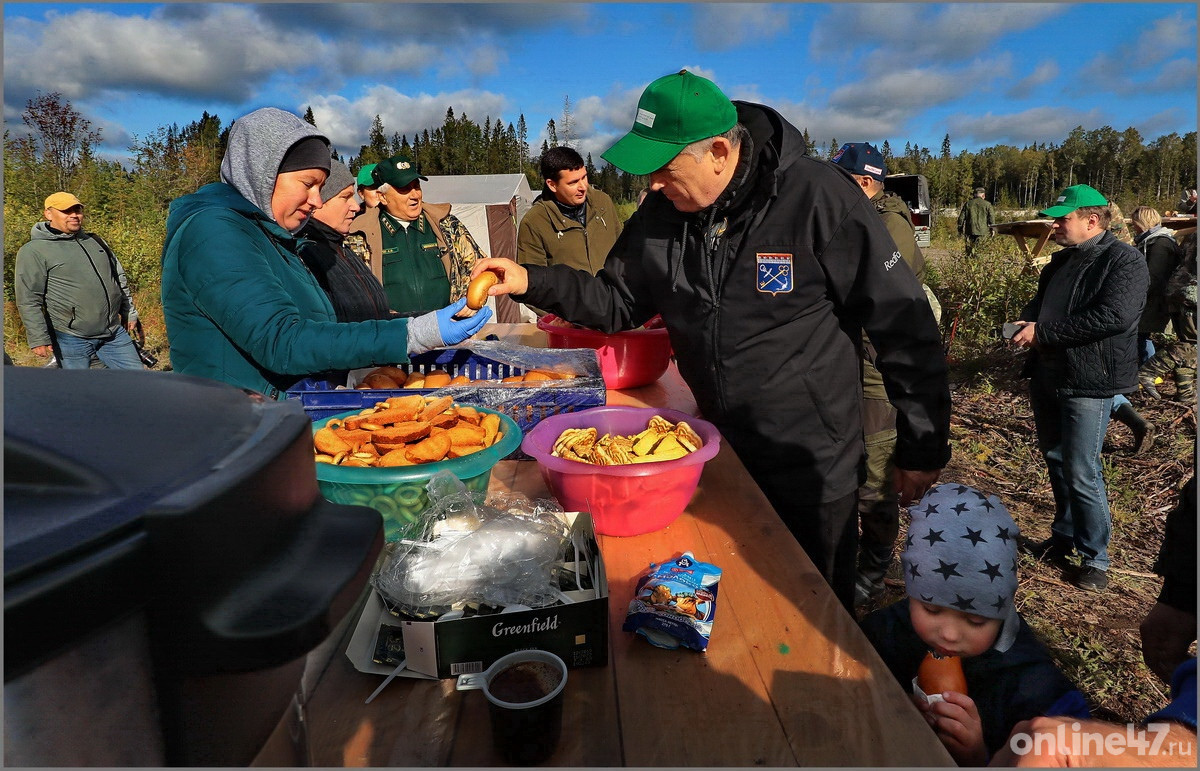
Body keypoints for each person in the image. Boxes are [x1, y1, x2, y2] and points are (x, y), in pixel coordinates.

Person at [471, 69, 951, 609]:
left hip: (811, 461)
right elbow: (615, 300)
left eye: (664, 168)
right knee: (740, 604)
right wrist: (532, 279)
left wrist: (923, 444)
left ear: (719, 151)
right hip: (715, 450)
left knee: (817, 607)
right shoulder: (662, 213)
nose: (651, 183)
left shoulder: (818, 200)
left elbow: (903, 326)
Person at [160, 107, 490, 399]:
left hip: (277, 420)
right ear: (264, 174)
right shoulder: (214, 231)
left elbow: (318, 325)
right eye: (308, 183)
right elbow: (283, 341)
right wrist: (414, 334)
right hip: (235, 434)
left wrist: (418, 323)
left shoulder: (271, 236)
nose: (317, 200)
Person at [860, 484, 1089, 765]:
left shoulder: (1035, 692)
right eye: (931, 609)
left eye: (976, 619)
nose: (948, 633)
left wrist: (979, 756)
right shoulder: (884, 631)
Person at [1010, 184, 1149, 593]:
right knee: (1056, 458)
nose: (1054, 225)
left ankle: (1095, 559)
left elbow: (1112, 317)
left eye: (1062, 218)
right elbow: (1038, 305)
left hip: (1090, 380)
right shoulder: (1060, 262)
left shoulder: (1124, 261)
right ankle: (1064, 537)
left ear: (1092, 220)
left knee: (1081, 467)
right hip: (1049, 373)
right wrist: (1026, 323)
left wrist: (1044, 332)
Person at [831, 141, 940, 606]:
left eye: (841, 182)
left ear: (864, 183)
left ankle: (872, 570)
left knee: (875, 475)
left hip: (877, 372)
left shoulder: (888, 223)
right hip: (852, 367)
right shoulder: (868, 216)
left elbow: (871, 296)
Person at [14, 192, 144, 370]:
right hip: (70, 337)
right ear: (49, 214)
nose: (74, 215)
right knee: (76, 390)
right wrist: (38, 338)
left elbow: (118, 278)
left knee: (137, 381)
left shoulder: (95, 241)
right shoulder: (34, 251)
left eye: (77, 210)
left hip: (113, 332)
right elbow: (28, 299)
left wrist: (129, 311)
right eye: (66, 211)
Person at [367, 152, 486, 315]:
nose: (415, 195)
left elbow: (481, 267)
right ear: (382, 197)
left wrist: (470, 301)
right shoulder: (363, 237)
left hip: (449, 330)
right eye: (404, 188)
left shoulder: (447, 226)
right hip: (396, 333)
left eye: (416, 186)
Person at [297, 160, 392, 324]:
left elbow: (376, 320)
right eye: (345, 197)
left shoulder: (341, 248)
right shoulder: (305, 255)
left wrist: (431, 321)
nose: (355, 206)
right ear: (318, 201)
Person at [517, 145, 623, 275]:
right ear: (552, 185)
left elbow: (623, 250)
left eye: (584, 177)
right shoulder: (534, 222)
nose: (583, 187)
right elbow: (534, 282)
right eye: (573, 182)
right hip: (569, 295)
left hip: (612, 293)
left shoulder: (603, 203)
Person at [1139, 232, 1196, 402]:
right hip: (1191, 295)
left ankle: (1185, 392)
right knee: (1192, 345)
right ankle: (1148, 371)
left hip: (1179, 292)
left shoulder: (1192, 235)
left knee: (1188, 343)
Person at [344, 162, 381, 269]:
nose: (380, 192)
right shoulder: (353, 230)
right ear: (361, 194)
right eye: (374, 187)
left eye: (383, 186)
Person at [959, 187, 995, 257]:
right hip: (982, 232)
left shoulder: (968, 204)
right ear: (983, 195)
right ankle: (978, 266)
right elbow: (991, 218)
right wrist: (992, 229)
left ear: (974, 195)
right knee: (980, 251)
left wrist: (960, 229)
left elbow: (961, 218)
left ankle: (968, 266)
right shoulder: (988, 204)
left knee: (969, 252)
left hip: (970, 231)